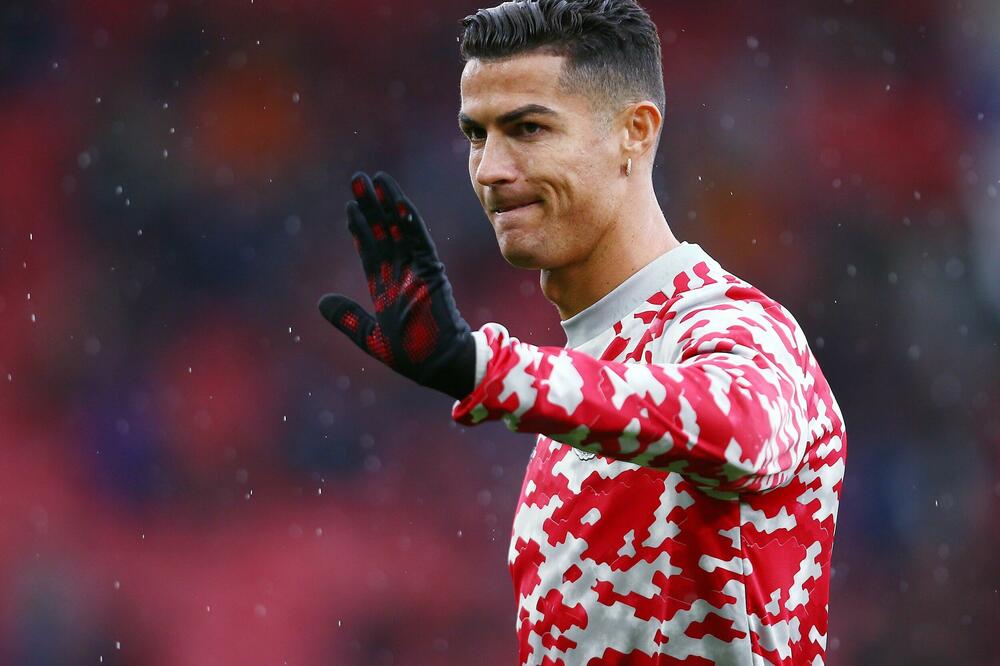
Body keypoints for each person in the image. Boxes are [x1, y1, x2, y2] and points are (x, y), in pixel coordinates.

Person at [317, 1, 847, 664]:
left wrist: (484, 368)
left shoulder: (733, 323)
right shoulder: (583, 384)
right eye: (477, 134)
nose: (490, 169)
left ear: (634, 132)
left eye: (528, 128)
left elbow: (745, 428)